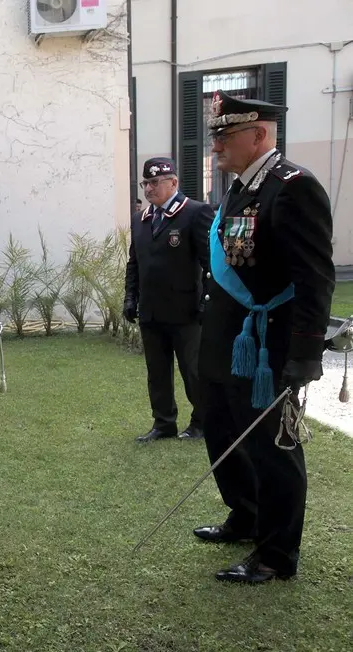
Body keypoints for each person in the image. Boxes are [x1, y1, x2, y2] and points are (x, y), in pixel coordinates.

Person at [195, 90, 335, 583]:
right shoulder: (239, 187)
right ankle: (245, 514)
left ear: (258, 135)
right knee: (222, 430)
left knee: (272, 448)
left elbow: (316, 278)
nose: (216, 148)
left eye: (225, 137)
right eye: (215, 137)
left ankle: (276, 554)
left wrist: (304, 355)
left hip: (267, 347)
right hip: (228, 340)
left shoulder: (292, 187)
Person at [124, 158, 212, 442]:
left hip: (187, 311)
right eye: (145, 183)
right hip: (151, 310)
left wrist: (207, 303)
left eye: (155, 183)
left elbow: (210, 263)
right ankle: (164, 423)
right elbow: (134, 264)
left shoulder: (195, 213)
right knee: (157, 373)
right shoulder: (141, 219)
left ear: (173, 183)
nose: (149, 189)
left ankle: (202, 422)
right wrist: (130, 298)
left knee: (193, 371)